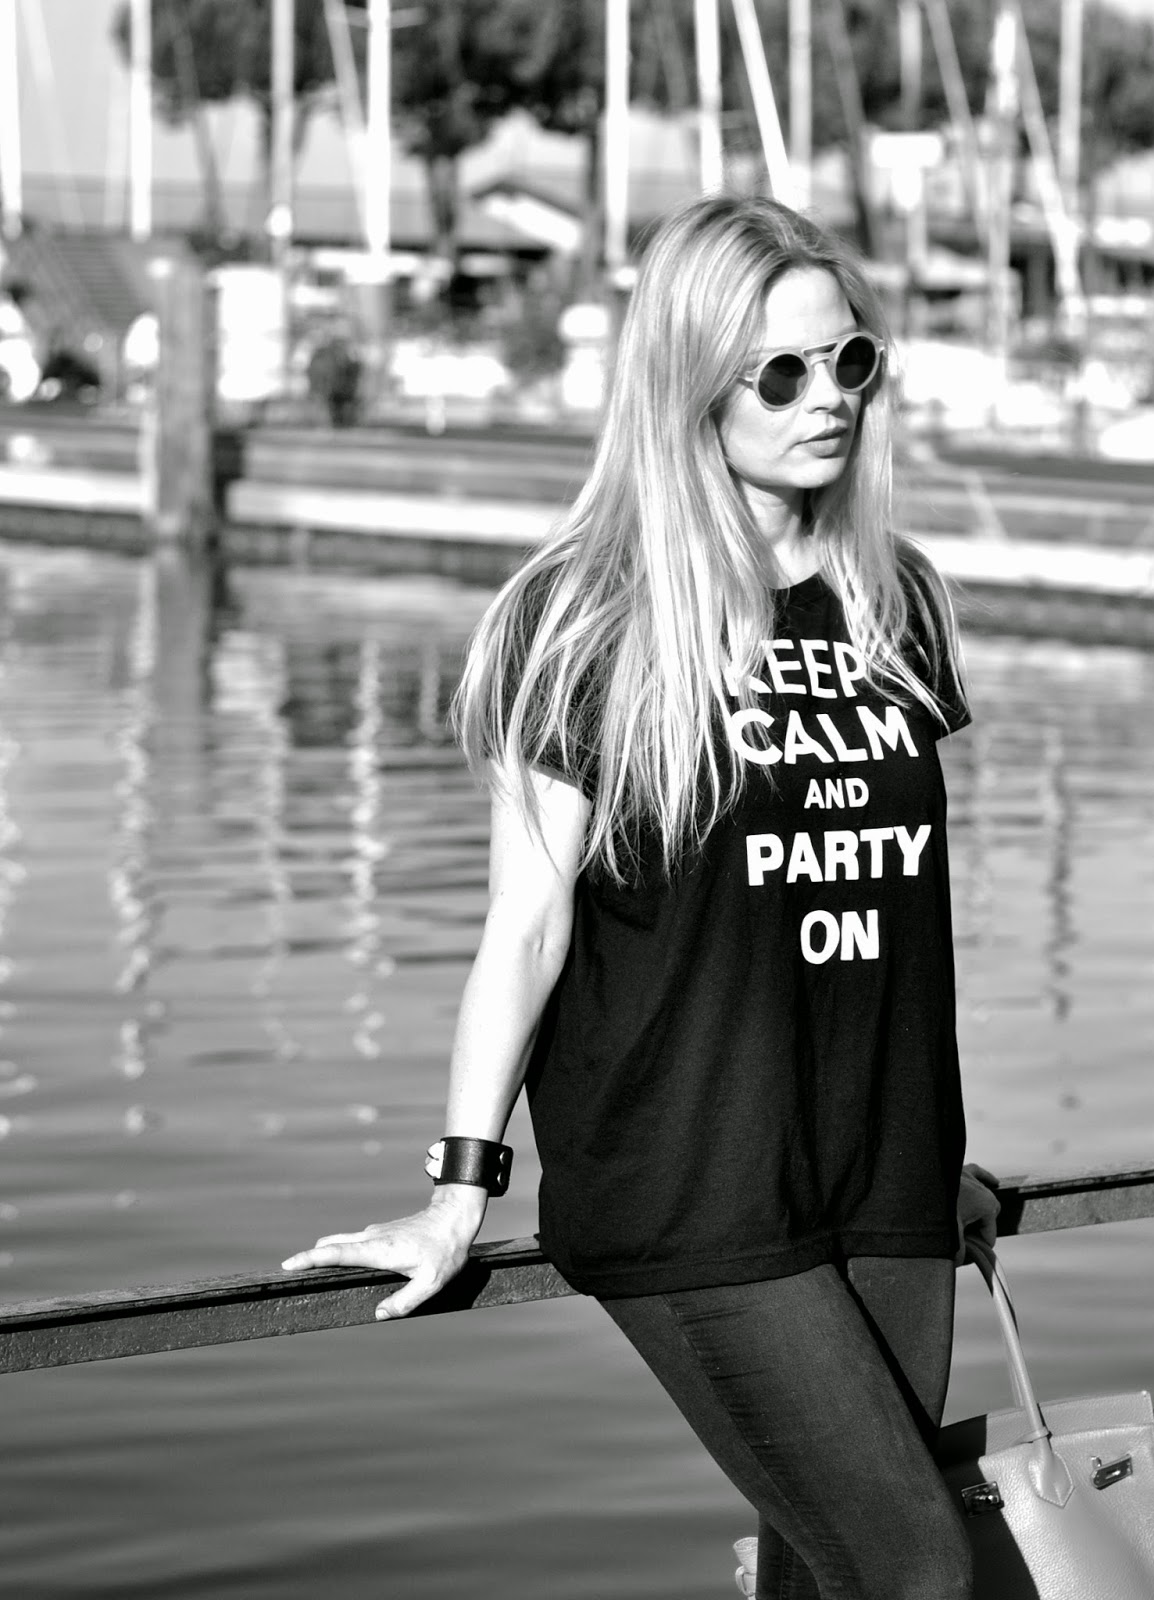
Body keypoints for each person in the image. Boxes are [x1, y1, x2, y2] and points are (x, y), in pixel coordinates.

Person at [283, 194, 980, 1600]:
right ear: (689, 387)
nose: (828, 399)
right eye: (779, 374)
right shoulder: (585, 615)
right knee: (920, 1573)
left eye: (850, 360)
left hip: (891, 1175)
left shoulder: (893, 598)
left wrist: (937, 1151)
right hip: (695, 1178)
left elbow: (889, 906)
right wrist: (460, 1192)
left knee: (831, 1578)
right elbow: (527, 927)